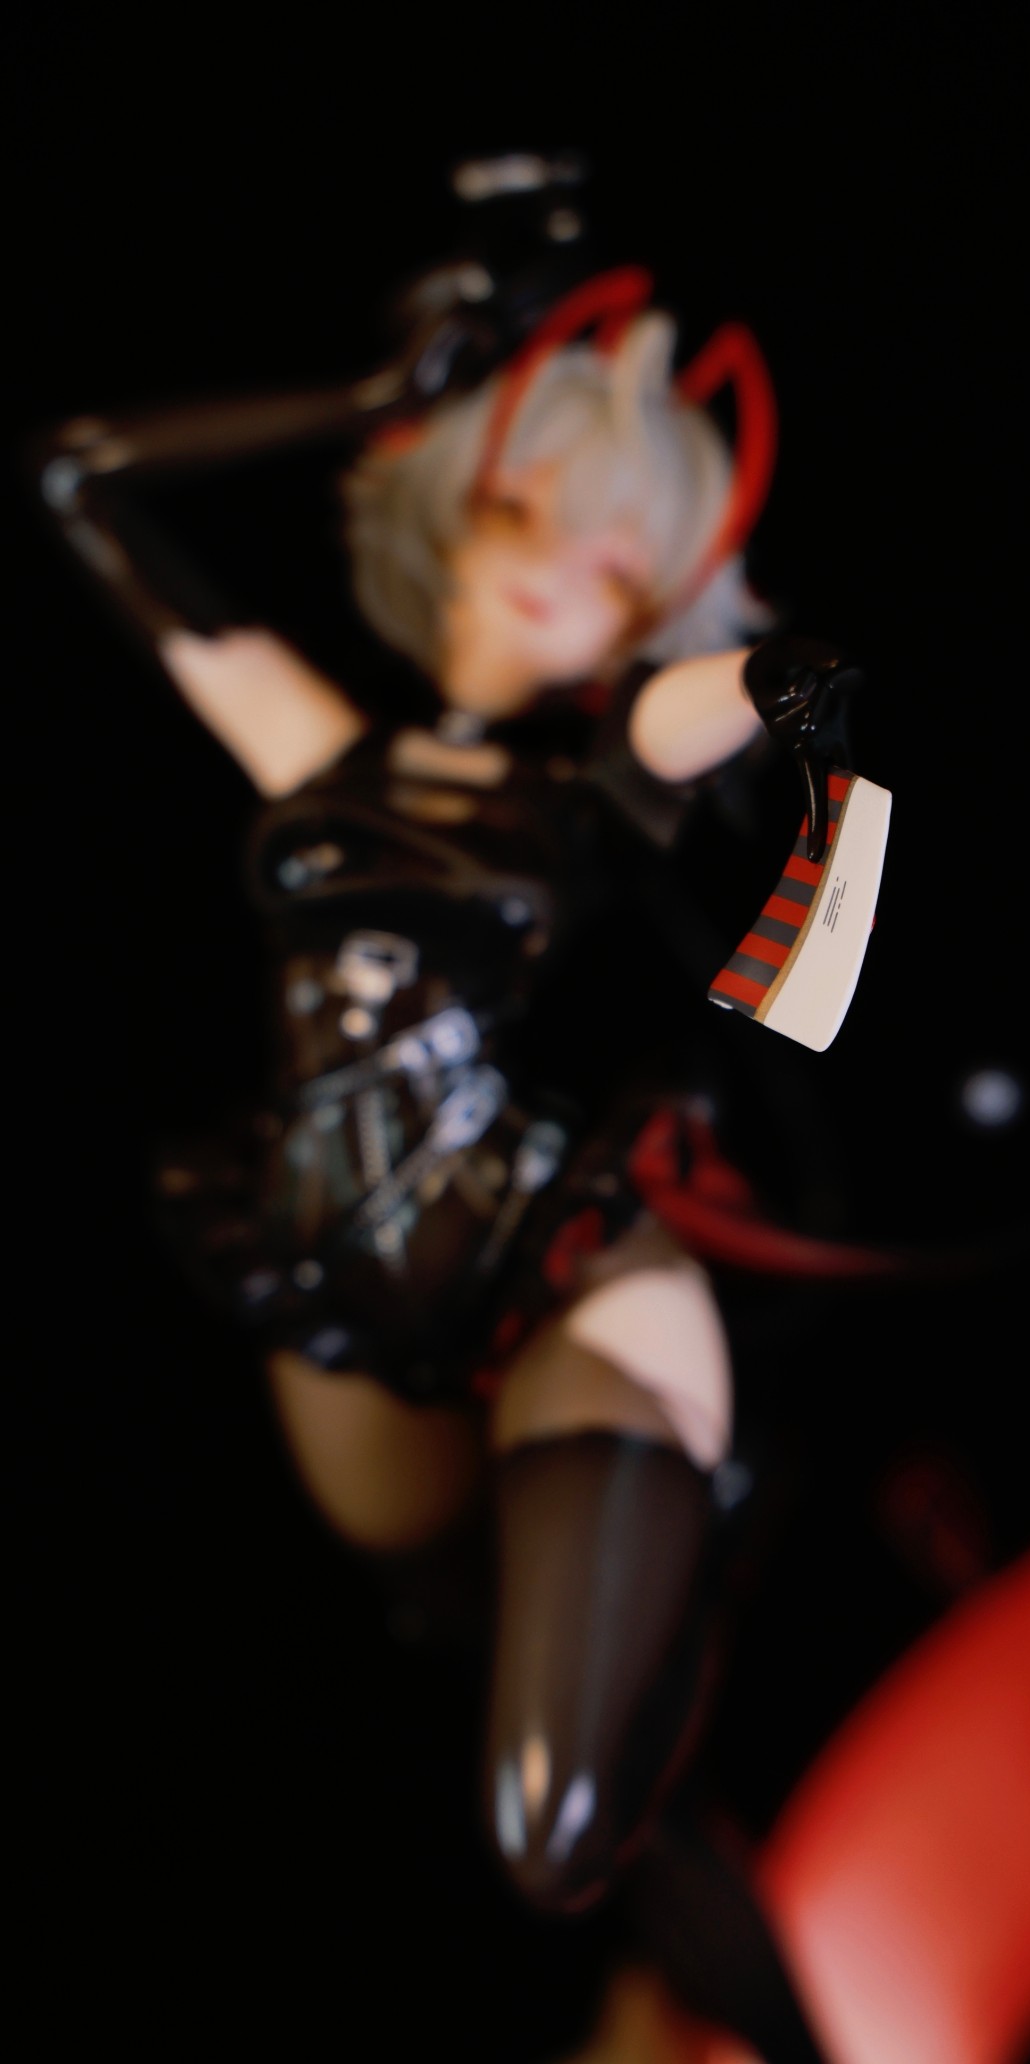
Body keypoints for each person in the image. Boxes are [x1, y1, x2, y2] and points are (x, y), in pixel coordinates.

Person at [30, 153, 882, 1916]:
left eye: (621, 553)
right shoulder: (316, 753)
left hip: (536, 1245)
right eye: (531, 507)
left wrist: (781, 686)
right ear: (460, 504)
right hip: (333, 1265)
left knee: (556, 1810)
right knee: (522, 1719)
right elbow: (80, 477)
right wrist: (379, 397)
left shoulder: (581, 788)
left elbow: (681, 721)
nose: (567, 565)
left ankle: (713, 1678)